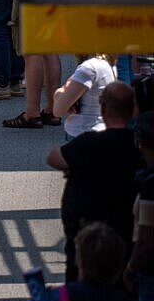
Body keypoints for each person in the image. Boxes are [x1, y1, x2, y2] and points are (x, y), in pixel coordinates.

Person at [49, 82, 141, 280]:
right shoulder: (140, 145)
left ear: (103, 108)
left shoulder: (89, 143)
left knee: (77, 285)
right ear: (134, 109)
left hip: (87, 233)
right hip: (127, 237)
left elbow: (54, 158)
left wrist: (73, 167)